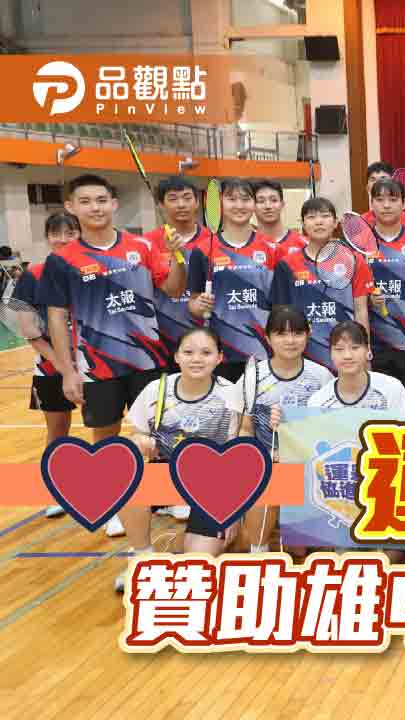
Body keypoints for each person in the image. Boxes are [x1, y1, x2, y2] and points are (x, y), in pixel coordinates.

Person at [38, 174, 188, 538]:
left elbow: (173, 288)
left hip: (148, 359)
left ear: (114, 204)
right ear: (71, 207)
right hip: (97, 364)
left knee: (158, 430)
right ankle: (115, 504)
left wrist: (177, 256)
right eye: (86, 201)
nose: (95, 207)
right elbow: (56, 317)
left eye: (102, 200)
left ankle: (164, 496)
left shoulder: (141, 246)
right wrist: (67, 371)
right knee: (105, 435)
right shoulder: (62, 261)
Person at [119, 327, 244, 591]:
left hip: (214, 484)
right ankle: (141, 556)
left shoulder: (230, 395)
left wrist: (232, 510)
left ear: (219, 358)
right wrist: (141, 442)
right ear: (176, 356)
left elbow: (238, 457)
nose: (196, 359)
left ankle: (182, 541)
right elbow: (137, 434)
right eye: (188, 352)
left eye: (206, 353)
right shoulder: (156, 390)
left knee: (197, 564)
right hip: (167, 473)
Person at [241, 306, 333, 553]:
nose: (290, 341)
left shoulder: (321, 376)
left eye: (297, 333)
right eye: (281, 334)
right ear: (268, 337)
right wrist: (261, 458)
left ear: (308, 335)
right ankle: (258, 551)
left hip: (309, 462)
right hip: (266, 461)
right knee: (263, 485)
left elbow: (329, 430)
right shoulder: (253, 376)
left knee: (299, 549)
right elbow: (244, 429)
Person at [15, 212, 80, 519]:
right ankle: (57, 492)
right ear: (47, 237)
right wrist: (65, 367)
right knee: (58, 430)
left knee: (107, 428)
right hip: (51, 366)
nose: (63, 239)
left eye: (70, 232)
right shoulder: (33, 275)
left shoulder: (93, 269)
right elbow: (30, 331)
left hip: (96, 364)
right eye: (56, 233)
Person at [269, 196, 376, 372]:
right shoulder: (287, 264)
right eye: (311, 217)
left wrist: (365, 351)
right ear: (303, 224)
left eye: (325, 216)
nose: (319, 222)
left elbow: (360, 309)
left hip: (346, 354)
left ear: (335, 222)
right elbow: (281, 316)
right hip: (304, 356)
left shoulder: (354, 260)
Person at [187, 178, 276, 383]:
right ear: (220, 203)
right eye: (232, 199)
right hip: (220, 352)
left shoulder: (271, 248)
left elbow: (279, 303)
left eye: (245, 199)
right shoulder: (203, 250)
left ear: (254, 204)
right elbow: (192, 303)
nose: (239, 205)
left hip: (263, 349)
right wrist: (199, 305)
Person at [364, 177, 405, 407]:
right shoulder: (361, 243)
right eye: (379, 199)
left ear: (403, 204)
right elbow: (354, 293)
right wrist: (369, 299)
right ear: (371, 203)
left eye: (393, 199)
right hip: (376, 340)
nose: (386, 205)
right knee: (379, 403)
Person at [146, 177, 214, 367]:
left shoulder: (213, 240)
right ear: (161, 205)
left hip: (208, 336)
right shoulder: (147, 243)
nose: (181, 204)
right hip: (164, 339)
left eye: (187, 197)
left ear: (197, 202)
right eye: (173, 199)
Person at [306, 321, 405, 412]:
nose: (347, 356)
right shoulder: (318, 402)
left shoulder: (391, 388)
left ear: (367, 350)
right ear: (330, 354)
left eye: (355, 348)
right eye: (339, 349)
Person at [253, 179, 304, 250]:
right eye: (261, 201)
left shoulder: (303, 244)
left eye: (274, 200)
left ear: (282, 204)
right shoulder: (243, 245)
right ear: (252, 206)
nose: (268, 206)